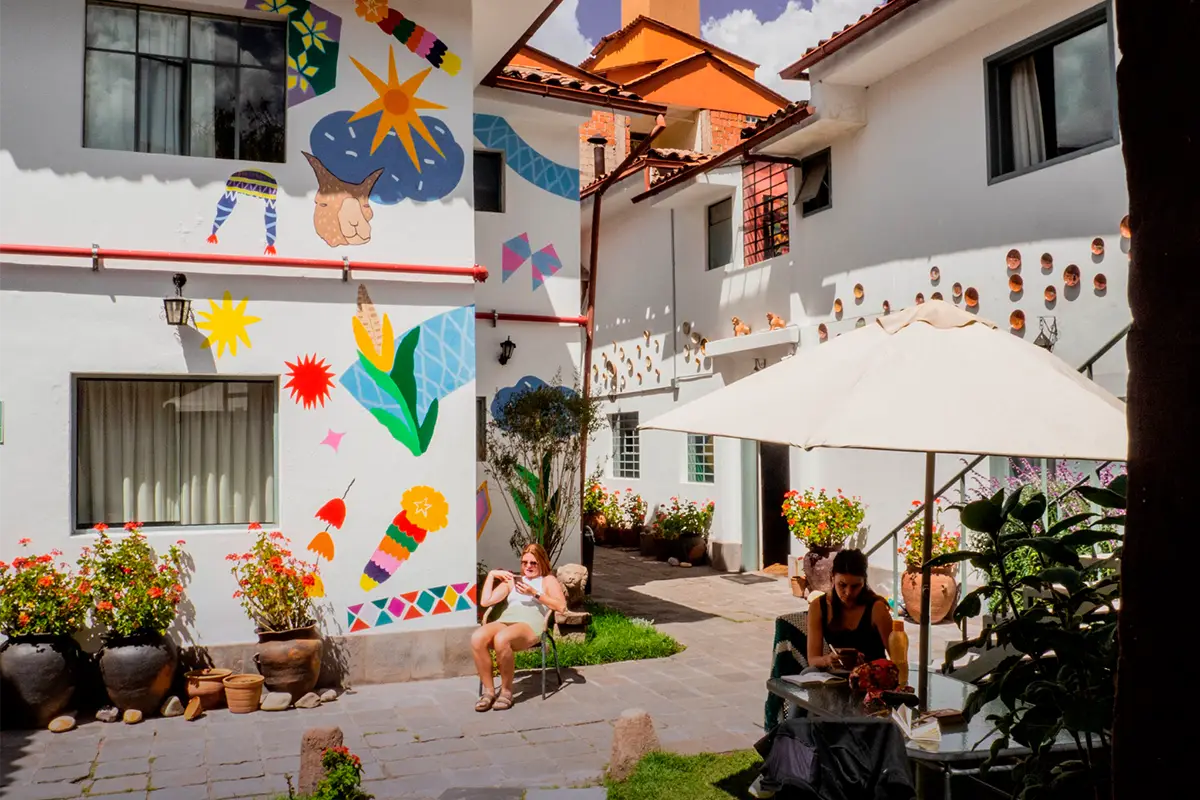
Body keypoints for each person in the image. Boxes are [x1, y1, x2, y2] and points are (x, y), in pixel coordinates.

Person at [471, 543, 567, 711]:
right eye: (524, 562)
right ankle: (489, 692)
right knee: (477, 637)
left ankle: (506, 692)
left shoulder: (547, 580)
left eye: (533, 563)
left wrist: (534, 593)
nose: (528, 566)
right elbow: (485, 601)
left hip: (530, 623)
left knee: (502, 639)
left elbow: (561, 606)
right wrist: (492, 575)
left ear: (542, 562)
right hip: (507, 619)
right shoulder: (514, 581)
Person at [806, 549, 892, 669]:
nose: (848, 592)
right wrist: (828, 660)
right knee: (807, 672)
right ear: (832, 578)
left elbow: (897, 657)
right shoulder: (819, 606)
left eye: (855, 586)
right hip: (837, 675)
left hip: (872, 675)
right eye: (842, 585)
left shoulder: (877, 609)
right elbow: (813, 659)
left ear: (864, 582)